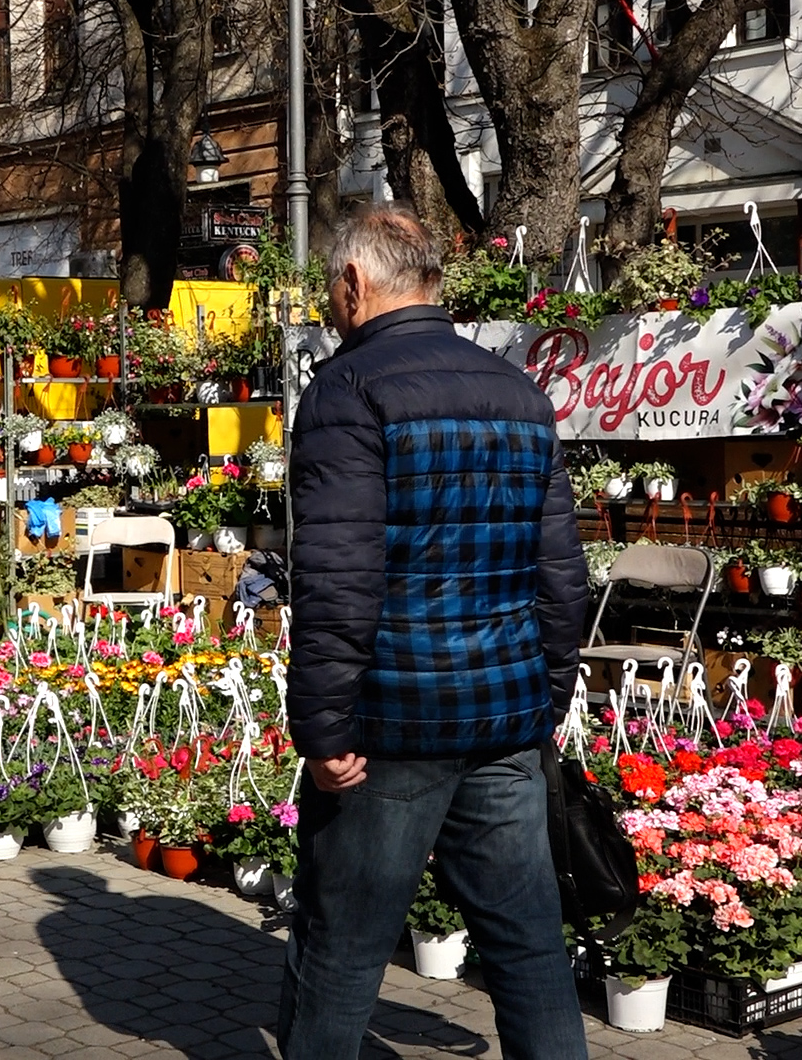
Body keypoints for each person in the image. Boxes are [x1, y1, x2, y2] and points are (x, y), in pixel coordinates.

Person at [276, 205, 590, 1060]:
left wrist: (324, 728)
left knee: (342, 950)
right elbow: (561, 574)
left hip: (391, 727)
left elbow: (338, 580)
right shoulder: (519, 393)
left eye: (330, 289)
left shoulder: (347, 391)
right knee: (529, 946)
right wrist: (545, 699)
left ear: (353, 283)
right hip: (504, 718)